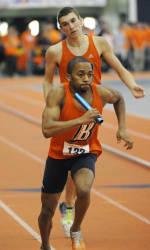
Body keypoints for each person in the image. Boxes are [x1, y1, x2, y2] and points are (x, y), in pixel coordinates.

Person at [42, 6, 144, 237]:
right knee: (70, 157)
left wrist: (132, 85)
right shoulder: (55, 51)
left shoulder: (99, 43)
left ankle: (67, 206)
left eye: (72, 21)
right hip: (68, 107)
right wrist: (50, 104)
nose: (70, 27)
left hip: (94, 105)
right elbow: (48, 81)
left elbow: (119, 68)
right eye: (65, 24)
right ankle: (68, 208)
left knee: (79, 159)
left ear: (80, 21)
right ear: (61, 28)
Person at [38, 56, 133, 250]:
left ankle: (76, 228)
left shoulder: (100, 92)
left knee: (83, 189)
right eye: (80, 74)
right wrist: (80, 120)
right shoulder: (58, 94)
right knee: (47, 210)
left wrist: (122, 128)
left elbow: (119, 98)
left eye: (89, 74)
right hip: (58, 155)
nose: (86, 78)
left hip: (85, 152)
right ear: (68, 76)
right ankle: (45, 245)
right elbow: (47, 130)